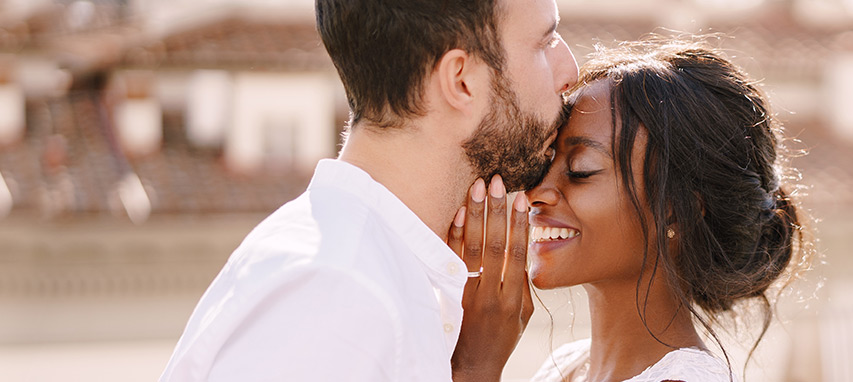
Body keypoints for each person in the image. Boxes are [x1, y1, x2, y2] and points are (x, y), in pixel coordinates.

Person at [160, 0, 578, 380]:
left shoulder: (367, 275)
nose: (570, 71)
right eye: (546, 42)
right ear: (462, 81)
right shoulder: (337, 296)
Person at [522, 37, 810, 382]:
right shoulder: (564, 368)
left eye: (580, 170)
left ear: (678, 209)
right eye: (546, 163)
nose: (537, 192)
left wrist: (476, 367)